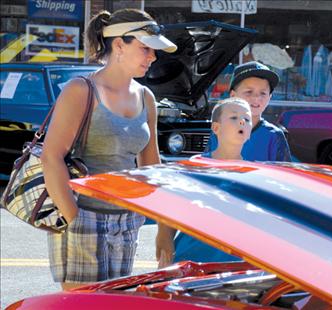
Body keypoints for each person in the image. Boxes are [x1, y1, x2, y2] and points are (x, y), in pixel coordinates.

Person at [41, 8, 177, 290]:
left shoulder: (145, 97)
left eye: (154, 51)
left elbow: (152, 165)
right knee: (83, 307)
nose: (153, 57)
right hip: (84, 215)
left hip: (127, 221)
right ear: (118, 45)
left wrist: (165, 228)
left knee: (116, 304)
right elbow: (51, 156)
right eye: (145, 49)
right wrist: (76, 220)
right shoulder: (81, 90)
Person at [156, 97, 252, 266]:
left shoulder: (253, 174)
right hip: (191, 259)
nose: (242, 122)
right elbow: (172, 206)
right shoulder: (196, 166)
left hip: (234, 265)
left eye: (247, 118)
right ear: (216, 128)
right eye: (234, 117)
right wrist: (164, 238)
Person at [206, 61, 292, 162]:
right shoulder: (220, 131)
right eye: (249, 92)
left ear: (269, 97)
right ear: (233, 96)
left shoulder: (274, 136)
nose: (256, 97)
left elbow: (283, 175)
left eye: (263, 93)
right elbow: (208, 169)